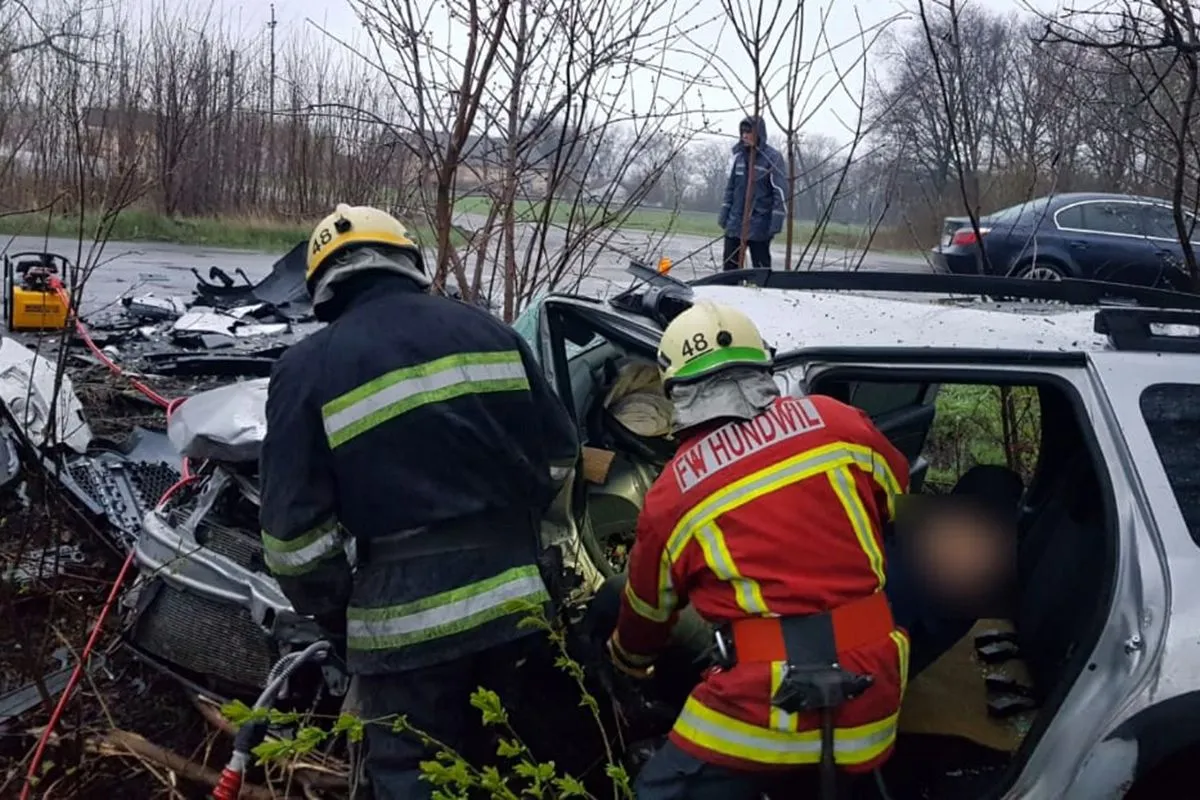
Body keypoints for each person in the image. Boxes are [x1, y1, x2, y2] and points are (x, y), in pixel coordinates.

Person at [258, 204, 579, 800]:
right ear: (409, 262)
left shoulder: (306, 369)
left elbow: (294, 545)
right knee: (513, 770)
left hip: (403, 630)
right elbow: (560, 458)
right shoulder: (493, 332)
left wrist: (338, 615)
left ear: (323, 287)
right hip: (519, 607)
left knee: (415, 779)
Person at [605, 300, 910, 800]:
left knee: (656, 790)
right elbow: (895, 501)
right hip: (872, 699)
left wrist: (626, 662)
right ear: (764, 365)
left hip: (763, 707)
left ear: (675, 390)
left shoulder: (675, 492)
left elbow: (647, 610)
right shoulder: (840, 424)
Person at [718, 116, 787, 271]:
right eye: (742, 132)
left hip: (760, 225)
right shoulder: (739, 157)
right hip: (735, 224)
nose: (744, 136)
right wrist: (724, 216)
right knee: (729, 270)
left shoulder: (773, 158)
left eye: (748, 132)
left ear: (758, 133)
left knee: (760, 272)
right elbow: (730, 188)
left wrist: (776, 222)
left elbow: (780, 191)